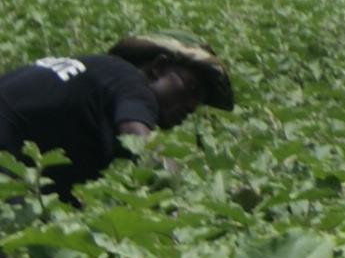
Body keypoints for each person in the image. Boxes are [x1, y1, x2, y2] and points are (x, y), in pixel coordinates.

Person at [0, 35, 232, 194]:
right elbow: (143, 144)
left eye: (199, 101)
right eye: (191, 90)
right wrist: (191, 195)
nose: (192, 105)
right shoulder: (131, 81)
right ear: (159, 68)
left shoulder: (98, 76)